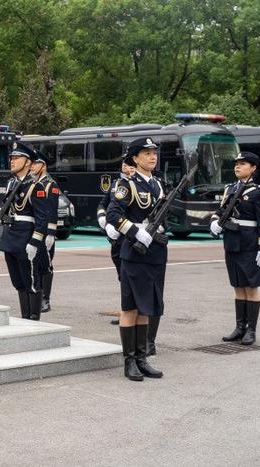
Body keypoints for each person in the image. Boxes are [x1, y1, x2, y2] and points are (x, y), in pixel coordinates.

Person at [106, 137, 164, 381]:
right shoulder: (126, 184)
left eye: (154, 152)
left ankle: (142, 359)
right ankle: (129, 361)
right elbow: (113, 214)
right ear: (135, 158)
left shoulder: (159, 185)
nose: (152, 156)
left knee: (146, 308)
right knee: (130, 308)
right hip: (134, 251)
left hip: (155, 251)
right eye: (146, 152)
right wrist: (135, 231)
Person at [210, 151, 260, 345]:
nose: (238, 166)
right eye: (236, 163)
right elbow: (220, 211)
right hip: (232, 242)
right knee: (238, 286)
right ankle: (240, 327)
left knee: (251, 287)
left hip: (250, 244)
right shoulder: (230, 189)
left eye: (243, 164)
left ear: (253, 168)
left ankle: (251, 330)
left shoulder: (259, 191)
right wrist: (214, 221)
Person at [0, 143, 48, 320]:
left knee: (31, 281)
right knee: (18, 282)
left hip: (25, 238)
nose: (12, 161)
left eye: (17, 158)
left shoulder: (35, 187)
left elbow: (42, 219)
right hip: (10, 237)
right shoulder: (12, 184)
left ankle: (34, 319)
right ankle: (25, 317)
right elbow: (5, 205)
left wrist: (35, 242)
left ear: (28, 162)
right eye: (12, 158)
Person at [97, 160, 136, 325]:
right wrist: (103, 221)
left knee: (132, 276)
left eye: (130, 165)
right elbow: (102, 205)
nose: (127, 168)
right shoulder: (115, 185)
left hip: (130, 235)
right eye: (125, 165)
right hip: (116, 239)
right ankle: (126, 311)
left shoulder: (138, 185)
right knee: (122, 277)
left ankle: (134, 313)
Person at [30, 151, 60, 313]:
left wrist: (51, 233)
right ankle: (37, 294)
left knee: (45, 266)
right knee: (35, 264)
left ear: (44, 166)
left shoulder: (50, 185)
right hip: (36, 230)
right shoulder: (34, 183)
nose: (32, 166)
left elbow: (52, 211)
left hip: (46, 231)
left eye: (36, 164)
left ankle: (45, 299)